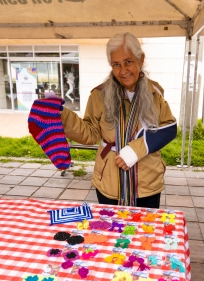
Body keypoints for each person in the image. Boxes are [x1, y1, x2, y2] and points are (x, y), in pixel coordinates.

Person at [60, 32, 177, 208]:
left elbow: (169, 127)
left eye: (128, 62)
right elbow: (91, 134)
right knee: (112, 232)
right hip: (109, 182)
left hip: (146, 184)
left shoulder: (155, 93)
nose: (123, 71)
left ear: (141, 59)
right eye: (116, 64)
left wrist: (135, 150)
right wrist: (61, 115)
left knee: (144, 232)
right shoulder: (99, 95)